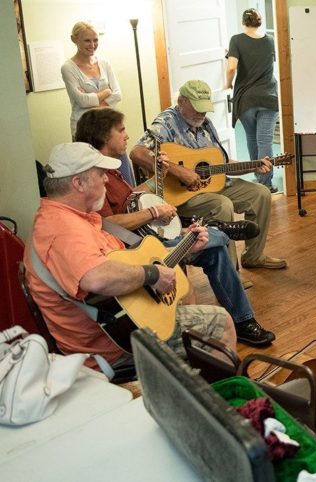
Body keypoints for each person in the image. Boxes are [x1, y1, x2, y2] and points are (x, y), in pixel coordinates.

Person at [24, 142, 237, 369]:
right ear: (78, 183)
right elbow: (95, 277)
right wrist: (152, 273)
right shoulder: (62, 228)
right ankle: (217, 399)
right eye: (100, 174)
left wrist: (184, 249)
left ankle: (197, 387)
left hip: (118, 326)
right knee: (221, 322)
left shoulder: (73, 217)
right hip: (111, 346)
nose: (106, 179)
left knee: (185, 295)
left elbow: (120, 262)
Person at [75, 108, 275, 346]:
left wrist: (157, 176)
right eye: (121, 130)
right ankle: (217, 230)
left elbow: (130, 199)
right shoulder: (94, 177)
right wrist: (154, 212)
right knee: (213, 242)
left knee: (214, 251)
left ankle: (243, 321)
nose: (127, 136)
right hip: (135, 250)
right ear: (103, 136)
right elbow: (108, 224)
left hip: (144, 237)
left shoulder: (112, 170)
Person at [129, 80, 285, 271]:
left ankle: (254, 256)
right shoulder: (166, 122)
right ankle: (230, 272)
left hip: (214, 186)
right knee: (222, 205)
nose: (201, 113)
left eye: (204, 108)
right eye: (197, 107)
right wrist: (178, 171)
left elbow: (222, 166)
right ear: (181, 101)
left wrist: (254, 166)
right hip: (182, 194)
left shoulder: (206, 124)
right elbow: (136, 153)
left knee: (261, 193)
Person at [60, 21, 133, 185]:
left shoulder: (104, 63)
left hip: (110, 129)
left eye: (95, 40)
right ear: (74, 40)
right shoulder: (68, 68)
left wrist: (95, 98)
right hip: (85, 130)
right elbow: (82, 100)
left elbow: (117, 95)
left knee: (123, 176)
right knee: (94, 178)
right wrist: (106, 92)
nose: (92, 45)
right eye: (87, 40)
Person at [225, 8, 280, 193]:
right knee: (265, 140)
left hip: (246, 98)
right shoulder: (270, 40)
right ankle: (266, 183)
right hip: (268, 96)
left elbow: (232, 67)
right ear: (260, 22)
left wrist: (228, 84)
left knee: (251, 138)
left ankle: (258, 177)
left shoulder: (236, 40)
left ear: (243, 22)